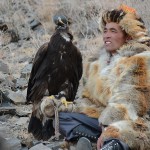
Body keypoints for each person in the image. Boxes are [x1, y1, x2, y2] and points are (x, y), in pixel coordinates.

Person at [40, 4, 150, 150]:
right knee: (60, 118)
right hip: (100, 119)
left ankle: (107, 143)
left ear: (128, 35)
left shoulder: (140, 60)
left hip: (132, 120)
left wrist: (108, 126)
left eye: (113, 31)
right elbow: (87, 102)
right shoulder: (95, 64)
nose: (107, 35)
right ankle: (97, 141)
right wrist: (64, 107)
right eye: (105, 31)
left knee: (123, 136)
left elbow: (128, 103)